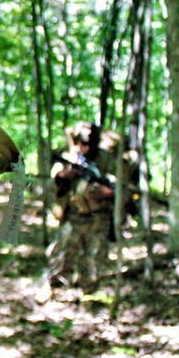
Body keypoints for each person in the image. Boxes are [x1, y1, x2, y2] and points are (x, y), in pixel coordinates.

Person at [45, 121, 119, 293]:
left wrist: (109, 192)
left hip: (99, 217)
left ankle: (89, 293)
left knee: (94, 258)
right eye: (83, 143)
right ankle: (52, 286)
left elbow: (124, 188)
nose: (86, 148)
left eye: (90, 144)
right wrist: (63, 176)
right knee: (60, 252)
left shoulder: (107, 160)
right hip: (74, 214)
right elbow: (52, 182)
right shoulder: (70, 157)